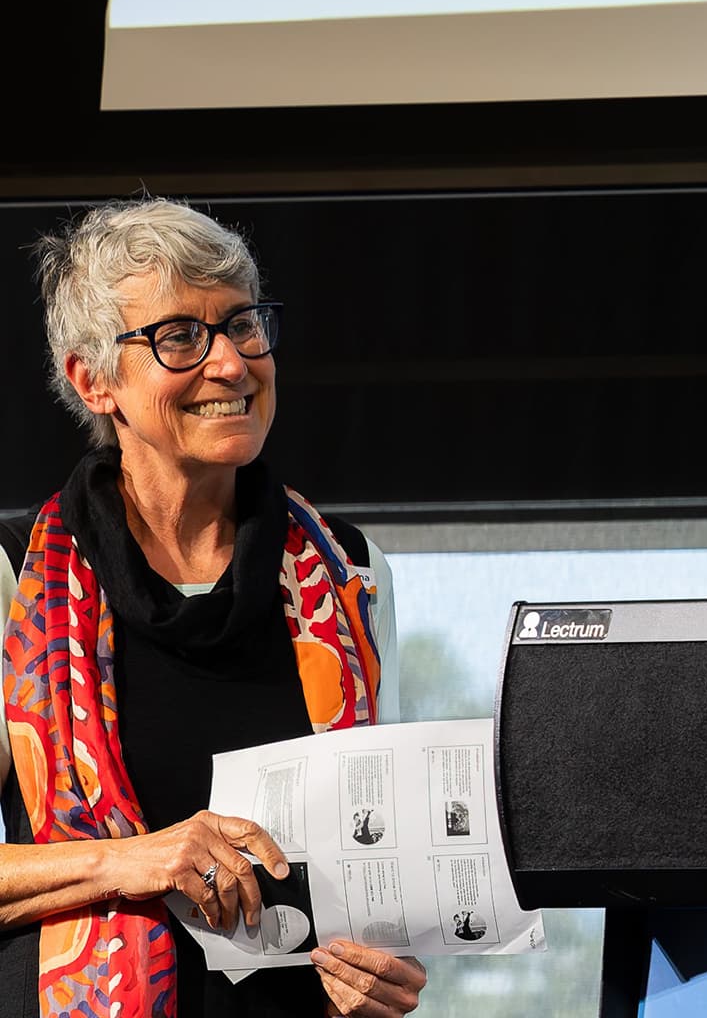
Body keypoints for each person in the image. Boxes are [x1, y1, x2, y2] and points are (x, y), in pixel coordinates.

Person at [0, 200, 427, 1016]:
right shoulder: (14, 575)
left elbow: (384, 865)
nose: (231, 363)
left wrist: (387, 969)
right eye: (180, 338)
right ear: (94, 380)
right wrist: (128, 862)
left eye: (243, 325)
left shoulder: (350, 571)